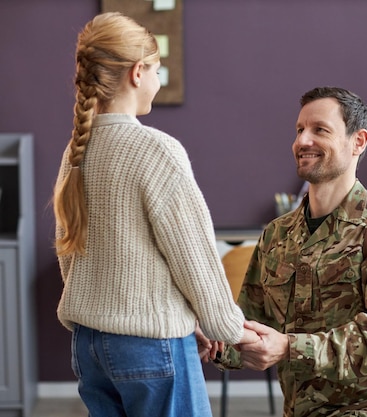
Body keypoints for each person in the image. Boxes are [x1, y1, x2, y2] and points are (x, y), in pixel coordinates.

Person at [52, 12, 258, 417]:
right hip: (150, 346)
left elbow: (68, 251)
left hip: (90, 346)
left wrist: (183, 322)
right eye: (157, 70)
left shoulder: (76, 151)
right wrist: (228, 329)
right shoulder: (156, 150)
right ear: (137, 72)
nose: (158, 81)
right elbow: (194, 258)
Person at [215, 87, 367, 417]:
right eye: (300, 130)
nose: (303, 141)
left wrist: (288, 348)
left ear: (358, 141)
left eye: (320, 130)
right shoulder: (277, 233)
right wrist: (209, 341)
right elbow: (251, 323)